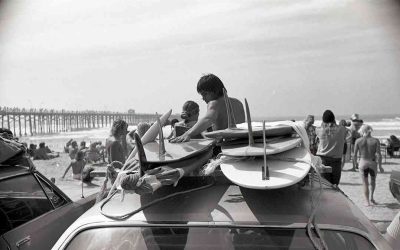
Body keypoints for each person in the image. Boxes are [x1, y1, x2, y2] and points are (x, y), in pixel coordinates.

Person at [170, 73, 245, 143]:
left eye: (205, 94)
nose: (203, 98)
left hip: (224, 146)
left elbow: (208, 119)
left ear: (215, 91)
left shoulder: (214, 103)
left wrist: (187, 134)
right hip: (241, 143)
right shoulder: (238, 103)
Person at [353, 124, 384, 206]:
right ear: (370, 130)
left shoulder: (358, 141)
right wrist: (380, 166)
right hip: (372, 162)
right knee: (373, 181)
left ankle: (367, 202)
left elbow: (355, 155)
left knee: (365, 183)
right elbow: (378, 154)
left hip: (363, 162)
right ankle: (372, 198)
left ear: (362, 131)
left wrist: (355, 164)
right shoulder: (375, 140)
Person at [316, 110, 347, 186]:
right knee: (335, 185)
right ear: (334, 119)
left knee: (325, 186)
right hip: (336, 160)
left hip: (323, 160)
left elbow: (322, 128)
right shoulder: (342, 129)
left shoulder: (319, 130)